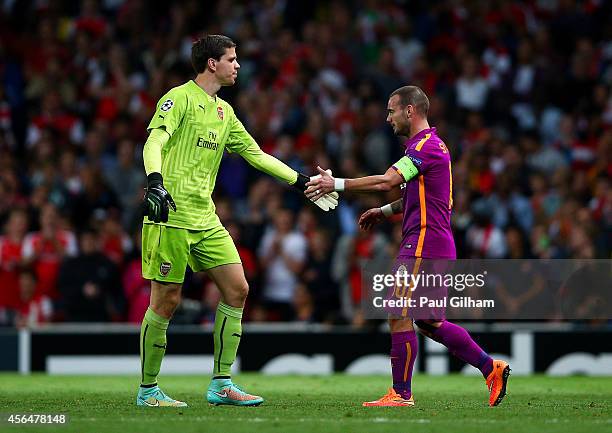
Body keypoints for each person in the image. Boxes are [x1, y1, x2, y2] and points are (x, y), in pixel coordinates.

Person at [137, 34, 338, 408]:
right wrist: (155, 182)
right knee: (167, 300)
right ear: (212, 63)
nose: (237, 65)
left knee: (238, 289)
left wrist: (300, 182)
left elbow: (256, 155)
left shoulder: (223, 112)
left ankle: (221, 384)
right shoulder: (177, 98)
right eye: (231, 59)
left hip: (206, 218)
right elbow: (154, 142)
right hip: (171, 214)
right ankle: (148, 389)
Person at [305, 85, 510, 407]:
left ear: (410, 111)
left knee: (396, 309)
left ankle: (401, 393)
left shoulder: (425, 146)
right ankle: (490, 367)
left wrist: (337, 184)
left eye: (391, 110)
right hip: (435, 242)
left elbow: (386, 181)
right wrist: (384, 211)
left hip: (424, 242)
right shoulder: (430, 147)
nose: (388, 118)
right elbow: (420, 196)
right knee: (429, 321)